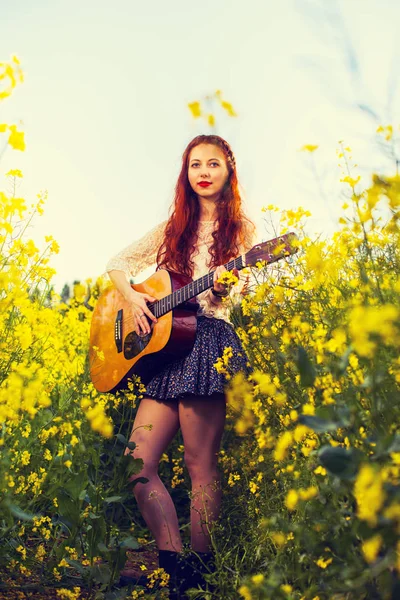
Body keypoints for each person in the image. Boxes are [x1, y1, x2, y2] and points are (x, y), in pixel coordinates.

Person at [105, 134, 256, 598]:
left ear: (229, 172)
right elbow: (117, 263)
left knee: (199, 464)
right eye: (195, 164)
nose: (204, 171)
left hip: (208, 339)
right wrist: (133, 300)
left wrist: (225, 289)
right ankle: (175, 565)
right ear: (186, 173)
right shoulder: (173, 226)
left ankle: (201, 571)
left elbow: (243, 288)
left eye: (213, 163)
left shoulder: (242, 230)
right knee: (137, 465)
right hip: (170, 349)